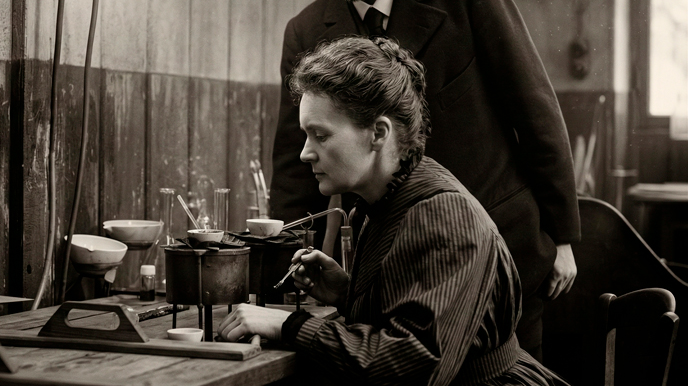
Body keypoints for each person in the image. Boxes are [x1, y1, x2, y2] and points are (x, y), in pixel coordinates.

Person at [269, 0, 579, 360]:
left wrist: (563, 237)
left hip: (504, 251)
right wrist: (280, 271)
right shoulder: (306, 31)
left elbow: (536, 113)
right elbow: (292, 162)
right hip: (391, 268)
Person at [221, 36, 569, 385]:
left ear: (378, 133)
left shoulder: (442, 216)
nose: (305, 153)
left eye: (320, 135)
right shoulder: (384, 201)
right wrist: (346, 293)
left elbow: (415, 369)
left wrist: (288, 325)